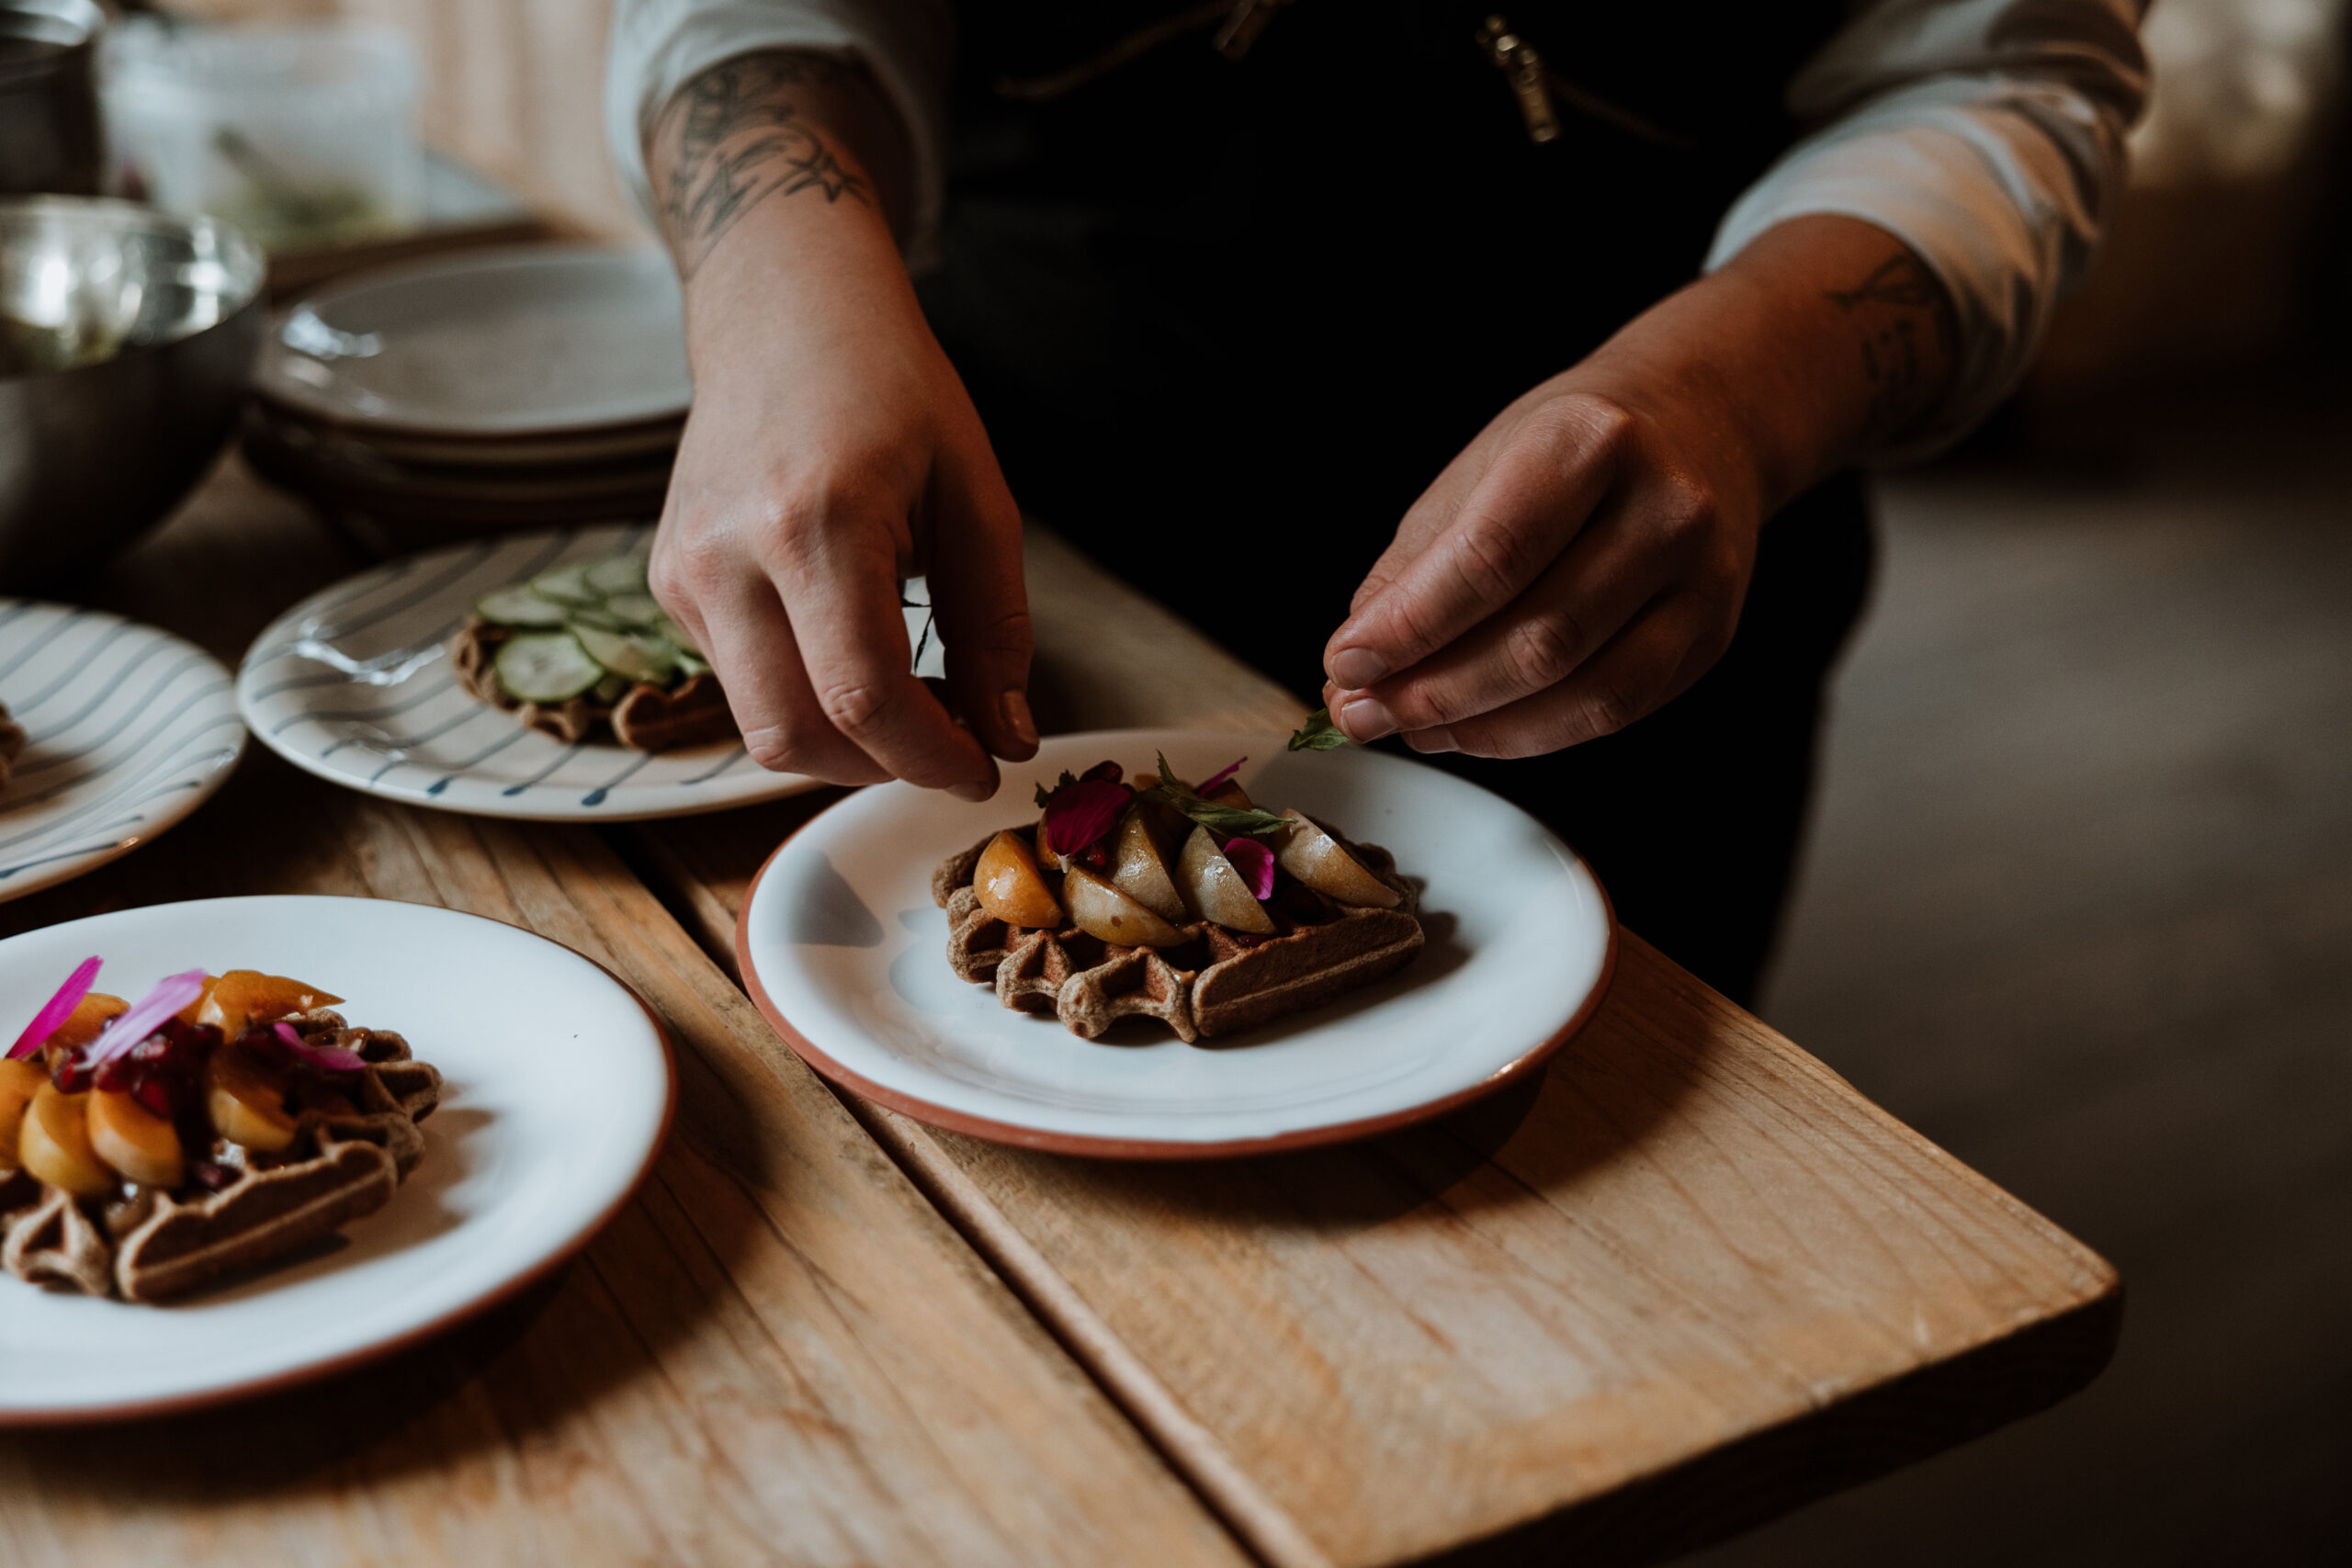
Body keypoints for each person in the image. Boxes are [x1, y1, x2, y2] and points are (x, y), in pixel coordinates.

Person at [607, 0, 2148, 1002]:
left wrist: (1738, 400)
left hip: (1645, 602)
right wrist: (770, 288)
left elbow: (2004, 77)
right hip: (1019, 552)